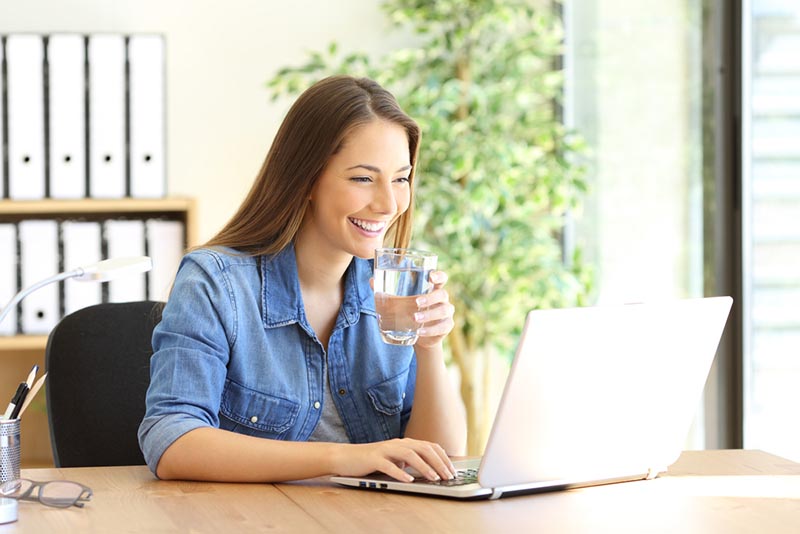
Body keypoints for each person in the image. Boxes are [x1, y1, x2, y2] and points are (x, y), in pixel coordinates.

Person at [138, 75, 467, 483]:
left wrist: (430, 348)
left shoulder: (392, 290)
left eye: (400, 178)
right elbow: (172, 441)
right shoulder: (216, 283)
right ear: (307, 179)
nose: (388, 204)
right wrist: (339, 458)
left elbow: (441, 461)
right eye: (363, 178)